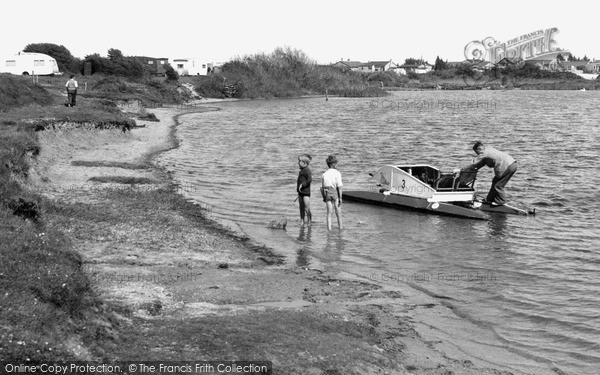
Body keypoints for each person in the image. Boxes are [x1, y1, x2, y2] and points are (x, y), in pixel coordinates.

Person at [462, 141, 517, 206]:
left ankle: (501, 202)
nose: (478, 155)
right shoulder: (489, 148)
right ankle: (490, 199)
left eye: (477, 153)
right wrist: (473, 170)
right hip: (513, 164)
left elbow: (473, 163)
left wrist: (461, 170)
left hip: (506, 166)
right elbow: (481, 163)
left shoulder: (483, 153)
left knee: (498, 185)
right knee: (495, 181)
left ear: (479, 149)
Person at [321, 155, 343, 231]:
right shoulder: (337, 173)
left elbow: (322, 187)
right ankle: (340, 228)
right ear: (333, 164)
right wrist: (340, 198)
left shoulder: (324, 174)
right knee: (338, 213)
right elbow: (339, 186)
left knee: (329, 213)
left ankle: (329, 229)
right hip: (334, 192)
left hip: (327, 193)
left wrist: (324, 197)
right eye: (336, 163)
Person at [297, 154, 313, 226]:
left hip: (306, 192)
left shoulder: (307, 170)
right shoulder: (302, 170)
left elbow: (310, 179)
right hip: (300, 192)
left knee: (307, 208)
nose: (298, 163)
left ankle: (309, 220)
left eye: (299, 161)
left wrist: (303, 184)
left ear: (304, 163)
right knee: (301, 207)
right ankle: (302, 220)